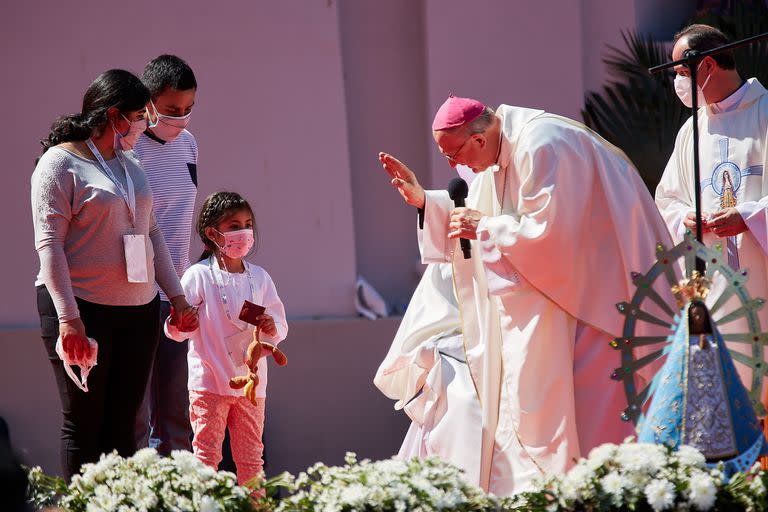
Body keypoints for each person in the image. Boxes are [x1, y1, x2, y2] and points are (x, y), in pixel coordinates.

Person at [377, 95, 672, 494]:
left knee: (593, 417)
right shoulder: (502, 151)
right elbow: (485, 208)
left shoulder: (542, 144)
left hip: (600, 302)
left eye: (453, 154)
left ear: (479, 140)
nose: (453, 167)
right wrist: (426, 202)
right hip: (570, 295)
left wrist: (484, 227)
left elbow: (550, 235)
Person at [31, 69, 198, 479]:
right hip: (83, 311)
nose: (147, 125)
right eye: (142, 116)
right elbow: (49, 244)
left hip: (138, 313)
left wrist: (177, 298)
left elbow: (151, 230)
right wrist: (69, 320)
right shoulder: (60, 163)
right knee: (86, 427)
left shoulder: (129, 163)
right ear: (115, 117)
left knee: (125, 430)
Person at [655, 24, 768, 394]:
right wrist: (684, 217)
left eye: (681, 73)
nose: (678, 83)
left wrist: (749, 218)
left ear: (706, 67)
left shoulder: (765, 112)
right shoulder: (692, 130)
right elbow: (667, 199)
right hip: (715, 280)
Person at [165, 192, 288, 485]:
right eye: (234, 226)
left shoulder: (260, 278)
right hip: (208, 383)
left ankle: (254, 506)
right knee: (206, 459)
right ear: (212, 233)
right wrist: (180, 322)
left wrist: (273, 327)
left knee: (251, 460)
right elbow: (176, 330)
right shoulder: (197, 276)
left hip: (251, 387)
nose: (243, 232)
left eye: (247, 224)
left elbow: (279, 323)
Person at [134, 54, 199, 455]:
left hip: (177, 296)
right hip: (134, 296)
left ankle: (178, 490)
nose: (182, 118)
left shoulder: (189, 144)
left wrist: (182, 290)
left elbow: (180, 213)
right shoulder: (126, 148)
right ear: (149, 103)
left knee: (177, 412)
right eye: (172, 110)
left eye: (189, 109)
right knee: (135, 415)